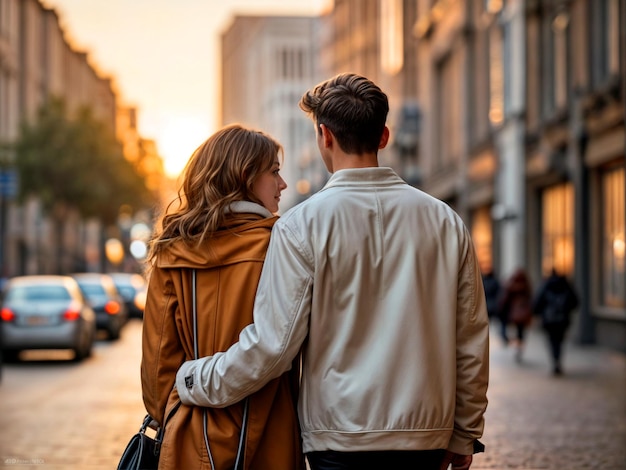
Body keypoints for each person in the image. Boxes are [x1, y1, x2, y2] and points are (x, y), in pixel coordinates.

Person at [175, 73, 489, 470]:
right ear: (384, 136)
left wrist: (194, 379)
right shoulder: (445, 221)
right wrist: (464, 432)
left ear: (324, 136)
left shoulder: (300, 225)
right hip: (425, 437)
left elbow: (272, 347)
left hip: (339, 440)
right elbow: (471, 340)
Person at [140, 124, 304, 470]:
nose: (283, 184)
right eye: (274, 172)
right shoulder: (284, 245)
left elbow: (157, 374)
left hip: (191, 438)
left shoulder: (172, 253)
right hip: (270, 434)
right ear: (246, 176)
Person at [532, 268, 579, 376]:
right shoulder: (565, 285)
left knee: (552, 340)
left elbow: (538, 301)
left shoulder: (546, 285)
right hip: (563, 319)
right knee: (560, 340)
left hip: (549, 319)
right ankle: (557, 359)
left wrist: (537, 313)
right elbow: (575, 301)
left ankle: (555, 359)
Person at [498, 268, 533, 362]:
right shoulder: (526, 286)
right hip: (522, 313)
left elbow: (505, 299)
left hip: (514, 313)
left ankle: (518, 346)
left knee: (517, 332)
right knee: (521, 333)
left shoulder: (511, 286)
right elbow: (530, 297)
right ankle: (519, 348)